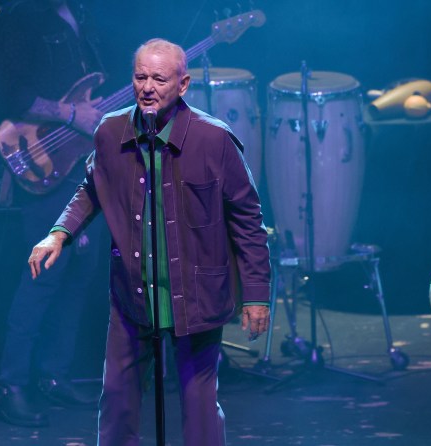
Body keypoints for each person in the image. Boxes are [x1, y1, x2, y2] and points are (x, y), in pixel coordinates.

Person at [28, 38, 272, 445]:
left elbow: (248, 220)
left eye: (159, 78)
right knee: (118, 402)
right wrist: (59, 233)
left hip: (198, 294)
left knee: (198, 409)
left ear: (183, 84)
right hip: (132, 294)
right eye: (141, 77)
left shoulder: (214, 140)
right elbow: (90, 187)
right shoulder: (110, 131)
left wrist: (257, 296)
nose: (147, 87)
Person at [0, 0, 108, 428]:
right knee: (45, 272)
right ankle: (10, 385)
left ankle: (53, 375)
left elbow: (89, 85)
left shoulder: (81, 16)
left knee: (82, 268)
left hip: (84, 163)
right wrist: (73, 114)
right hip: (43, 159)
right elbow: (9, 94)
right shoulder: (17, 20)